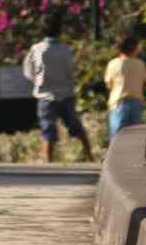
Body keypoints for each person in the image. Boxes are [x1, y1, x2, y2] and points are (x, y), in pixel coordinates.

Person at [22, 15, 96, 164]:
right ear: (60, 30)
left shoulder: (36, 49)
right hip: (66, 94)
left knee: (48, 128)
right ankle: (90, 156)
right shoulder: (65, 50)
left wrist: (38, 81)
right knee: (75, 126)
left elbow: (28, 71)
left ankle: (48, 160)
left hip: (45, 95)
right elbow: (71, 70)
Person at [105, 32, 146, 139]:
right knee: (133, 138)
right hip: (136, 102)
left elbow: (108, 84)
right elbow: (143, 82)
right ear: (135, 48)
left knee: (117, 137)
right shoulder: (140, 64)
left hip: (118, 103)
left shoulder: (113, 63)